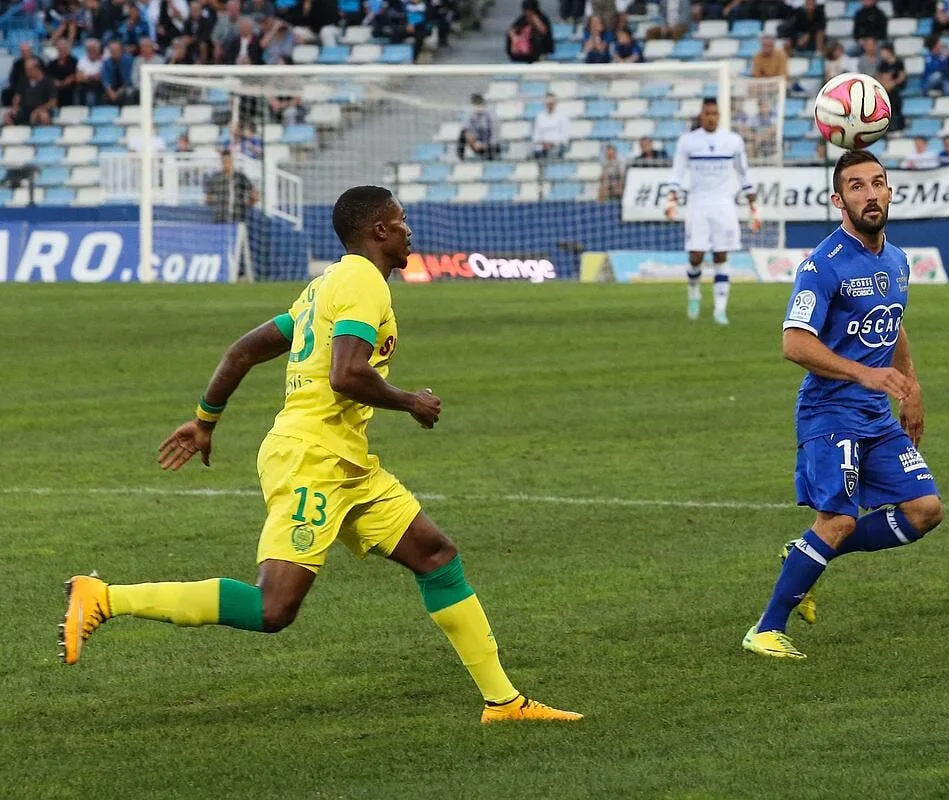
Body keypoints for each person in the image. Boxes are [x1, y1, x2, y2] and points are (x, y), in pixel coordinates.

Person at [58, 186, 583, 725]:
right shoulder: (360, 281)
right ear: (379, 231)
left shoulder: (323, 287)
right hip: (312, 457)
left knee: (436, 556)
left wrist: (205, 419)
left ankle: (504, 703)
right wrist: (412, 403)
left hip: (346, 458)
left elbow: (242, 350)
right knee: (273, 608)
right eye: (401, 223)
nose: (408, 232)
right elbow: (347, 373)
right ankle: (104, 598)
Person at [741, 150, 945, 661]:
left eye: (878, 183)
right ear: (838, 200)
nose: (870, 194)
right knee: (838, 519)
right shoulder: (822, 265)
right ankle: (766, 629)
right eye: (856, 187)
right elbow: (794, 342)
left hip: (875, 415)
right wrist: (865, 373)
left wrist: (912, 388)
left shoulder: (896, 261)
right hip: (830, 413)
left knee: (925, 511)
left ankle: (808, 557)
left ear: (891, 191)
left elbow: (893, 324)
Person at [664, 97, 760, 326]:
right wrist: (671, 199)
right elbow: (677, 172)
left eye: (714, 113)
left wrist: (753, 204)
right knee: (696, 255)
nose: (710, 117)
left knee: (721, 254)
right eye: (707, 113)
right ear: (701, 115)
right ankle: (694, 291)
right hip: (697, 204)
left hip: (723, 204)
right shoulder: (688, 141)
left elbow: (743, 172)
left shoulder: (732, 141)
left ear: (719, 115)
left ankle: (720, 310)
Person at [204, 150, 259, 222]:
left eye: (228, 161)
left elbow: (255, 195)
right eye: (224, 161)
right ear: (221, 161)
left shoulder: (240, 176)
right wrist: (220, 200)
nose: (226, 163)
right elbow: (208, 198)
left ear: (232, 161)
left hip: (238, 219)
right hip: (220, 219)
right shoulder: (215, 177)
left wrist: (247, 204)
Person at [3, 59, 57, 126]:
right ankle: (15, 134)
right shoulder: (24, 81)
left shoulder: (48, 81)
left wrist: (38, 110)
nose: (26, 72)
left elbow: (53, 102)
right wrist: (15, 107)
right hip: (25, 110)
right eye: (26, 70)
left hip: (41, 109)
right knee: (7, 117)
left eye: (29, 70)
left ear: (36, 69)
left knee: (43, 116)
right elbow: (17, 97)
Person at [457, 93, 500, 160]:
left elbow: (495, 134)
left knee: (493, 147)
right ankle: (460, 157)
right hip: (477, 144)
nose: (478, 107)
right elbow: (466, 129)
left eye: (480, 104)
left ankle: (491, 161)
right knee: (463, 132)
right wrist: (475, 143)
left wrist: (485, 144)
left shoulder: (491, 115)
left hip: (490, 145)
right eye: (475, 105)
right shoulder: (470, 115)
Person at [531, 92, 571, 160]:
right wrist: (543, 143)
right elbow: (536, 134)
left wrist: (553, 143)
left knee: (553, 153)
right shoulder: (540, 116)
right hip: (542, 146)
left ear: (555, 102)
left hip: (556, 146)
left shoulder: (562, 116)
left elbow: (565, 135)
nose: (550, 104)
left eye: (552, 102)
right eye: (548, 102)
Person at [45, 39, 79, 108]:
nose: (62, 51)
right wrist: (54, 81)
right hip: (56, 90)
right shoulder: (52, 64)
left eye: (64, 49)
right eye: (60, 49)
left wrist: (71, 78)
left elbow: (77, 73)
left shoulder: (74, 61)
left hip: (71, 89)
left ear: (67, 49)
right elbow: (48, 76)